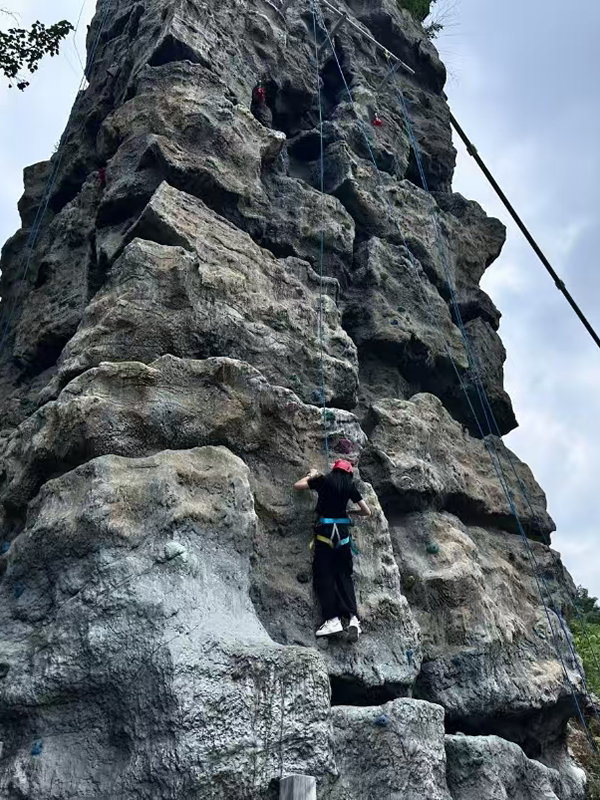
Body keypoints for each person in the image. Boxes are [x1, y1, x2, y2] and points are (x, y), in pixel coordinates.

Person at [293, 459, 371, 641]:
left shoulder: (323, 480)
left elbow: (297, 486)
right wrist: (350, 513)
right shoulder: (350, 486)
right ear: (349, 473)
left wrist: (312, 475)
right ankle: (353, 619)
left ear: (334, 470)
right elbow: (367, 511)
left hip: (325, 533)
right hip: (342, 533)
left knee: (325, 575)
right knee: (344, 575)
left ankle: (333, 620)